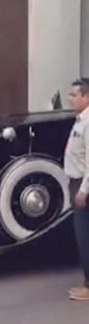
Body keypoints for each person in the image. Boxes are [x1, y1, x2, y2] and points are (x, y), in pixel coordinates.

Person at [65, 78, 89, 300]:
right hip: (76, 181)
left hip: (84, 184)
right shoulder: (80, 120)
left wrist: (84, 190)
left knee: (85, 235)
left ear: (86, 96)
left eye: (74, 95)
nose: (70, 99)